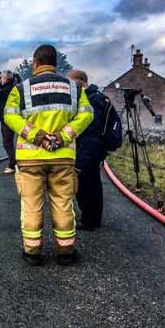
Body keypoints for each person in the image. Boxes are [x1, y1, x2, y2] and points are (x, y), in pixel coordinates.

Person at [4, 45, 94, 266]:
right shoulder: (74, 89)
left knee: (31, 204)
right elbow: (87, 115)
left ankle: (32, 252)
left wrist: (37, 136)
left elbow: (10, 117)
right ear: (55, 63)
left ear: (35, 63)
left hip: (30, 159)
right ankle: (66, 252)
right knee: (63, 202)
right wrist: (62, 137)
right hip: (63, 158)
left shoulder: (20, 89)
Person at [67, 70, 107, 231]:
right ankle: (94, 219)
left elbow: (88, 126)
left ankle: (88, 220)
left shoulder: (91, 99)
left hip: (88, 147)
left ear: (80, 82)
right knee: (94, 183)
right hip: (94, 146)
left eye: (71, 82)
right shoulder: (96, 96)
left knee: (85, 185)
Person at [0, 70, 17, 174]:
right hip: (8, 118)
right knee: (8, 142)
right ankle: (13, 161)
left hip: (7, 119)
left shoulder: (7, 89)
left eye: (1, 78)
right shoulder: (9, 88)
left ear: (6, 79)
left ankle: (13, 165)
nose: (0, 80)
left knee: (7, 143)